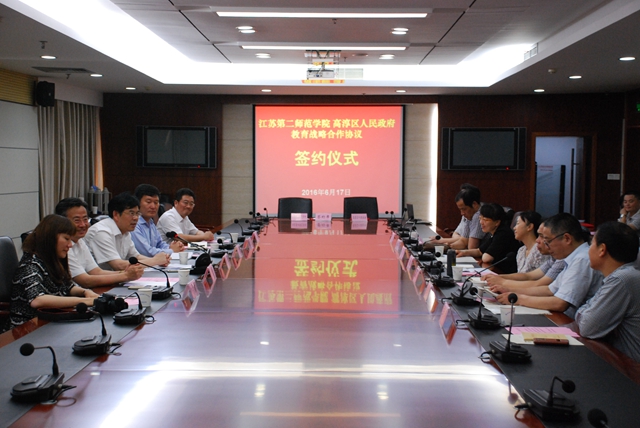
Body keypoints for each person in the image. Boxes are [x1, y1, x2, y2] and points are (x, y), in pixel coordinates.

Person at [495, 212, 602, 318]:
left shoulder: (582, 259)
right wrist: (510, 290)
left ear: (567, 238)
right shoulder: (571, 258)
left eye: (548, 241)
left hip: (570, 322)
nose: (547, 247)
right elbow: (549, 290)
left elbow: (560, 303)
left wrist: (519, 299)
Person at [4, 215, 100, 331]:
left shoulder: (52, 259)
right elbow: (37, 300)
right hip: (26, 328)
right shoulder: (30, 263)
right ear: (50, 238)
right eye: (66, 239)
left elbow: (67, 286)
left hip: (51, 322)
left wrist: (86, 292)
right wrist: (84, 301)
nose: (70, 245)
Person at [575, 221, 640, 362]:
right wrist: (586, 311)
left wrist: (582, 312)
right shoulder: (623, 275)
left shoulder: (622, 279)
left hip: (630, 369)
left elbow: (588, 327)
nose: (588, 250)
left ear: (602, 249)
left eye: (592, 244)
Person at [55, 198, 145, 288]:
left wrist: (127, 273)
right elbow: (85, 281)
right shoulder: (62, 246)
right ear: (63, 221)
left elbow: (96, 272)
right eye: (77, 220)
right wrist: (126, 276)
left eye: (85, 219)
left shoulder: (80, 241)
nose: (83, 225)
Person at [84, 193, 170, 271]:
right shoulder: (101, 232)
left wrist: (160, 261)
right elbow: (118, 265)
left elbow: (136, 257)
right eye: (131, 213)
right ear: (116, 215)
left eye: (137, 213)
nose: (136, 218)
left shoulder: (125, 231)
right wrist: (155, 261)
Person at [485, 222, 565, 292]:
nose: (538, 240)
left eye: (544, 237)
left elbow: (539, 284)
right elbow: (528, 275)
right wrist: (498, 277)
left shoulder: (561, 260)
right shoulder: (553, 259)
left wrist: (503, 283)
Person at [456, 203, 521, 273]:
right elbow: (479, 251)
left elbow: (486, 258)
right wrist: (463, 252)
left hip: (505, 273)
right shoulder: (492, 232)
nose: (481, 222)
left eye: (485, 220)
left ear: (497, 222)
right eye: (480, 218)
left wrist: (482, 255)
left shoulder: (503, 234)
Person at [131, 184, 184, 257]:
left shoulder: (150, 222)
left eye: (156, 202)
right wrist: (172, 250)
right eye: (148, 202)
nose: (153, 206)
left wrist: (171, 247)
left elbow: (159, 244)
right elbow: (146, 252)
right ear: (138, 203)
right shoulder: (133, 224)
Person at [429, 183, 485, 250]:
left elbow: (471, 247)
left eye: (464, 209)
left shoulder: (479, 215)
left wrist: (442, 244)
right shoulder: (470, 213)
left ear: (474, 204)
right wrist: (446, 246)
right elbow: (463, 241)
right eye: (460, 209)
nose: (462, 213)